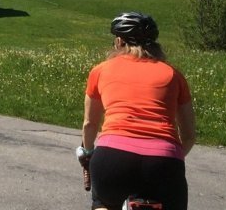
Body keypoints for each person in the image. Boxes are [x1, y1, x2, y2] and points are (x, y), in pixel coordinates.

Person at [78, 12, 197, 210]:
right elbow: (189, 135)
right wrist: (169, 156)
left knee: (103, 203)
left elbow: (89, 123)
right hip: (164, 162)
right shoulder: (174, 75)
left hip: (112, 158)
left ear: (118, 42)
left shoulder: (100, 70)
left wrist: (87, 153)